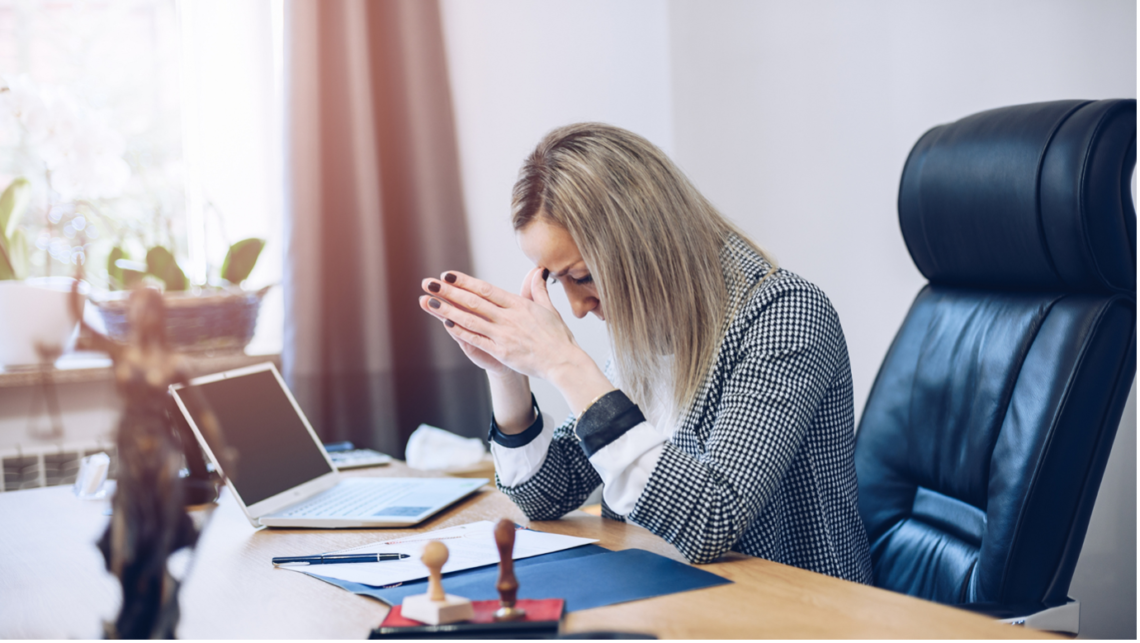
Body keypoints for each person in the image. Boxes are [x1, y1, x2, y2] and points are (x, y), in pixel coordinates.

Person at [418, 123, 871, 582]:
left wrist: (566, 364)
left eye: (584, 276)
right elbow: (544, 496)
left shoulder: (783, 314)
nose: (575, 309)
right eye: (558, 281)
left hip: (794, 609)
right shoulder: (651, 330)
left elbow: (711, 521)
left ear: (641, 244)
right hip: (667, 590)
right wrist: (507, 371)